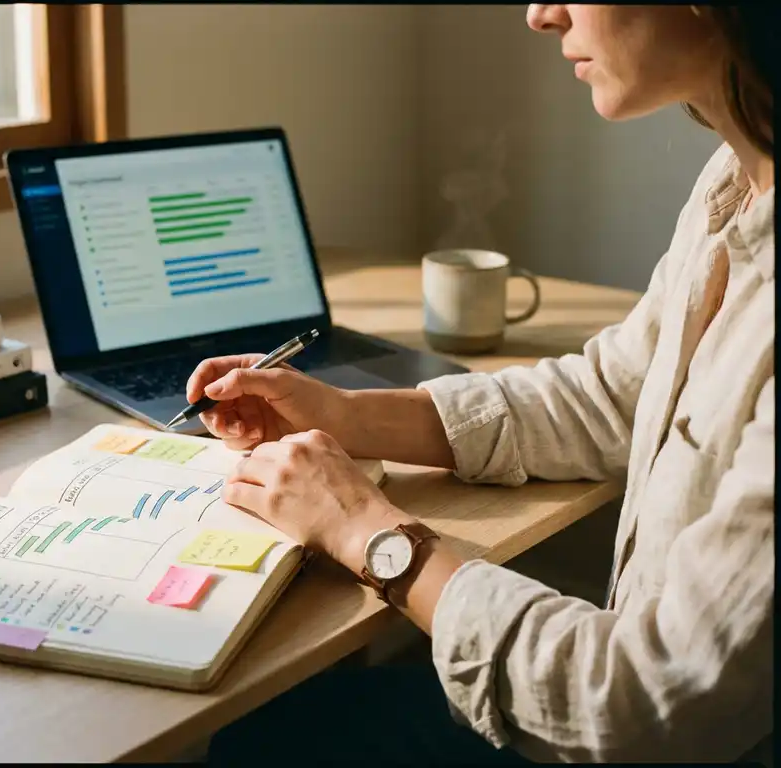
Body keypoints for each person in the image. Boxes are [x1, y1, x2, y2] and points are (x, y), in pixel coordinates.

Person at [193, 5, 775, 764]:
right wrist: (347, 416)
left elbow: (646, 703)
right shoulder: (737, 178)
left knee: (268, 737)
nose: (540, 13)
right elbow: (615, 393)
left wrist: (365, 531)